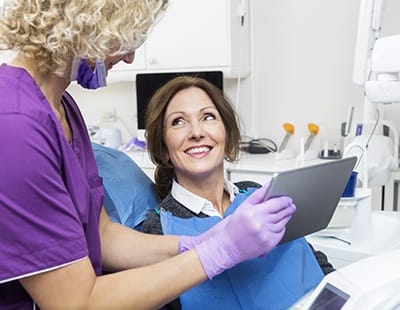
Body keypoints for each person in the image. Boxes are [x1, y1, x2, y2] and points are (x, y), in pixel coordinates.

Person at [0, 1, 297, 309]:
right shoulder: (14, 125)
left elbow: (101, 233)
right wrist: (218, 251)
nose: (129, 57)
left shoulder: (64, 108)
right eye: (124, 39)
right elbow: (77, 303)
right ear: (88, 25)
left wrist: (197, 241)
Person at [142, 75, 334, 309]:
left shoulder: (256, 192)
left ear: (227, 133)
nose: (196, 132)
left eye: (208, 117)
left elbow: (311, 258)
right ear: (163, 149)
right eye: (178, 122)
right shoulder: (157, 228)